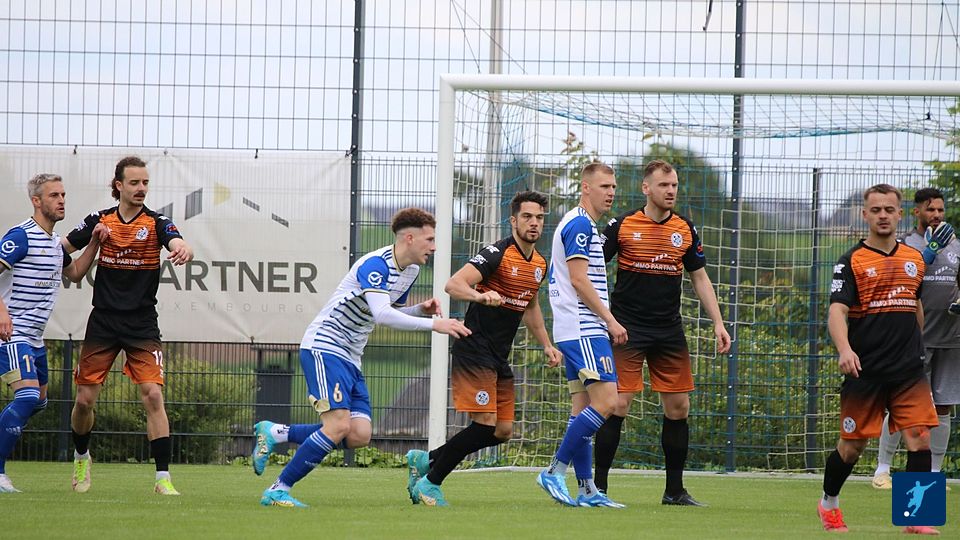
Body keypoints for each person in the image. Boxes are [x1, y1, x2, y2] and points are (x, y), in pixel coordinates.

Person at [253, 208, 470, 508]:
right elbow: (382, 315)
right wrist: (435, 325)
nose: (434, 247)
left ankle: (276, 432)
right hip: (325, 346)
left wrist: (419, 310)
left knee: (358, 434)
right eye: (430, 239)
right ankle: (278, 490)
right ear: (409, 238)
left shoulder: (410, 271)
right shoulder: (375, 265)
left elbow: (387, 311)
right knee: (337, 426)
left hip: (351, 356)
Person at [402, 191, 563, 507]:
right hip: (474, 348)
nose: (534, 223)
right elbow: (453, 284)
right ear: (513, 220)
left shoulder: (539, 264)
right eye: (527, 217)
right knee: (485, 423)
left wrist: (547, 344)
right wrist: (479, 296)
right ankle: (430, 484)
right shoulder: (497, 253)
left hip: (498, 355)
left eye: (539, 217)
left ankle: (426, 459)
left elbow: (530, 305)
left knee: (502, 431)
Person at [594, 159, 731, 506]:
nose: (670, 191)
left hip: (668, 330)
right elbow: (591, 268)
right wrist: (600, 316)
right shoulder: (622, 225)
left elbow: (700, 277)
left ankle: (674, 491)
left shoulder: (685, 228)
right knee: (617, 404)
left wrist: (718, 322)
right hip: (627, 329)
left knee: (679, 408)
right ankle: (598, 489)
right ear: (646, 188)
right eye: (663, 185)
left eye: (674, 186)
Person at [64, 156, 194, 496]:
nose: (141, 188)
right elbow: (62, 248)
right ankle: (82, 457)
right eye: (134, 183)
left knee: (153, 395)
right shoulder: (99, 220)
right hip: (104, 321)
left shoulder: (156, 222)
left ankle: (163, 478)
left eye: (145, 183)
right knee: (84, 401)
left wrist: (183, 247)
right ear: (118, 185)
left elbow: (176, 240)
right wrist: (91, 243)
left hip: (141, 323)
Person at [819, 183, 938, 534]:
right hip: (866, 371)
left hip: (908, 369)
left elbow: (915, 304)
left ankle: (917, 519)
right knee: (852, 447)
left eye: (889, 210)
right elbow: (837, 312)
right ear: (865, 215)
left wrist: (919, 344)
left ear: (900, 214)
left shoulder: (914, 259)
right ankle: (828, 503)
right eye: (876, 210)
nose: (883, 216)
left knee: (920, 437)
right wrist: (845, 349)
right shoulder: (850, 261)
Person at [0, 174, 102, 493]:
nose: (61, 200)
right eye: (54, 195)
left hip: (34, 339)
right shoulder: (22, 236)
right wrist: (2, 313)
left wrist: (95, 243)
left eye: (63, 195)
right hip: (12, 334)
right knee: (27, 396)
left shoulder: (55, 244)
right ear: (36, 201)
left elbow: (76, 273)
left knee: (39, 402)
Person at [535, 162, 627, 508]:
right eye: (604, 186)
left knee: (583, 409)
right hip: (584, 329)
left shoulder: (582, 223)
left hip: (575, 329)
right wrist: (610, 320)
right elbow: (578, 280)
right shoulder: (580, 224)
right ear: (585, 188)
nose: (611, 192)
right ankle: (554, 470)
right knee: (608, 403)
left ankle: (587, 489)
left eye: (613, 187)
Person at [872, 187, 957, 489]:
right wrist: (929, 251)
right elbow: (899, 279)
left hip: (951, 338)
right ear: (916, 211)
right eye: (930, 209)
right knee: (902, 404)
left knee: (943, 407)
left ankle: (933, 474)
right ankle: (882, 469)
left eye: (940, 210)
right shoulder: (904, 245)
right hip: (912, 339)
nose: (936, 215)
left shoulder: (956, 245)